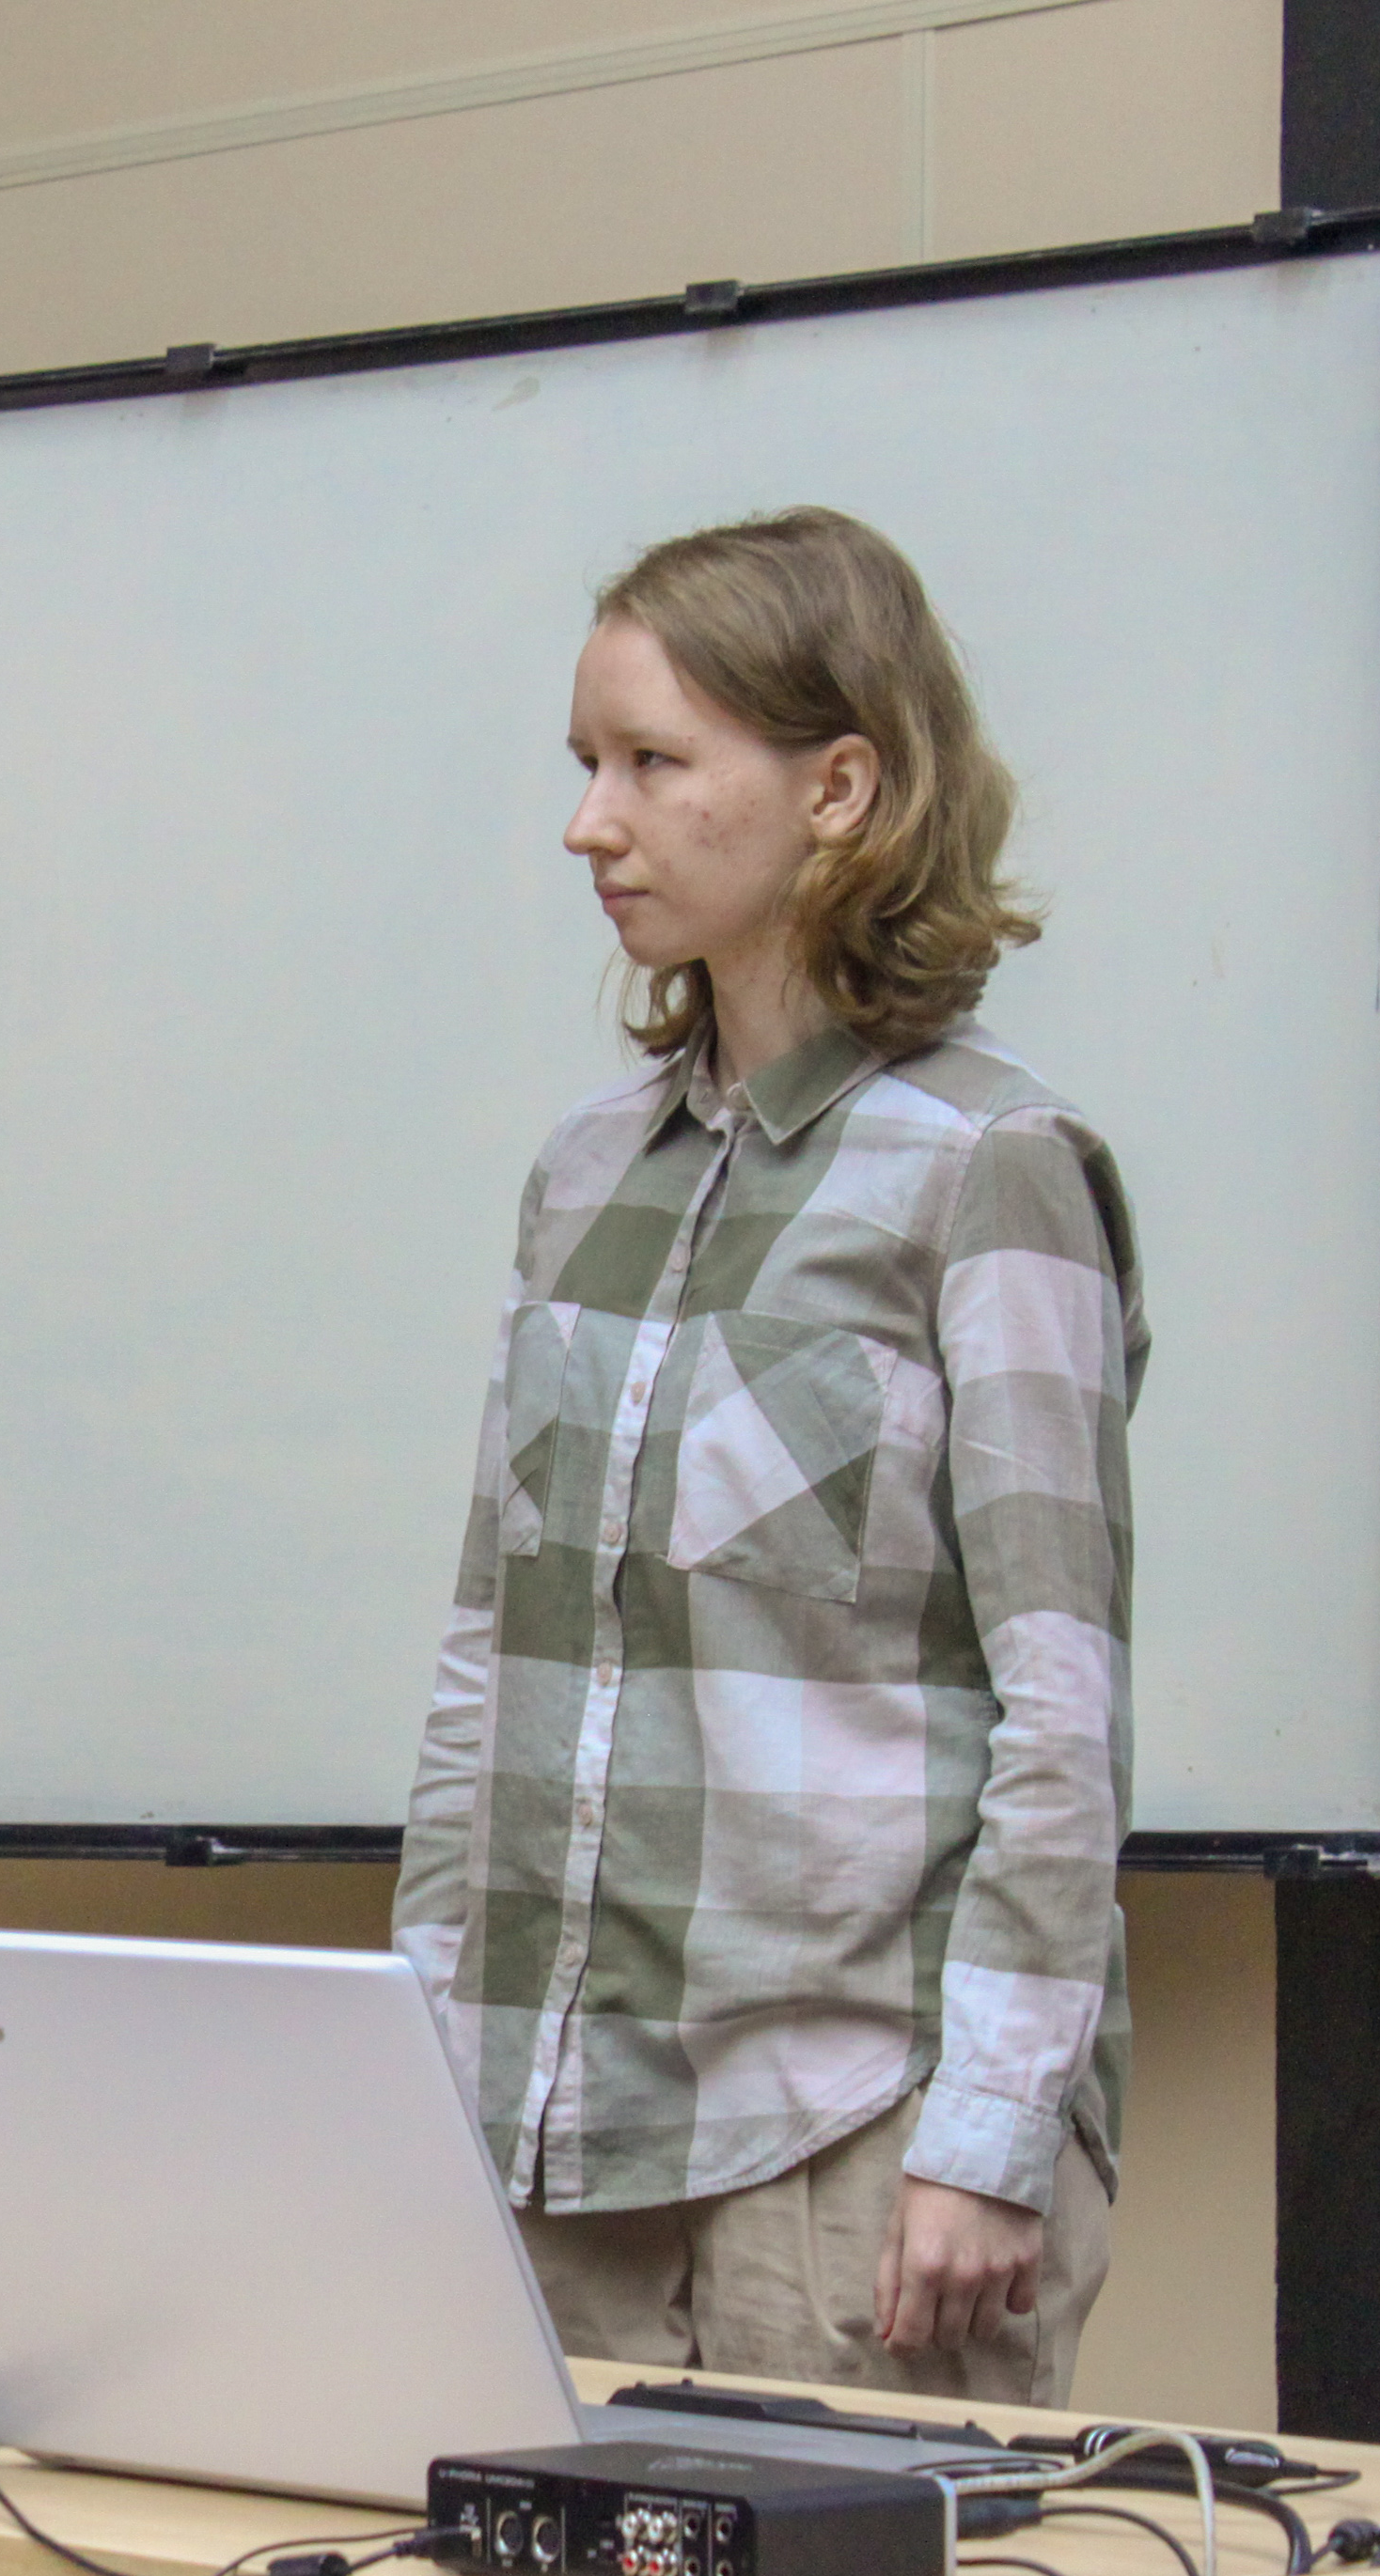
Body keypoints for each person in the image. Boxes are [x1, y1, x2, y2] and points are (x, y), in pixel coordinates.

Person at [392, 506, 1141, 2404]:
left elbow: (1060, 1708)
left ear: (840, 788)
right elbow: (492, 1661)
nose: (591, 823)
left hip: (855, 2140)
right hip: (550, 2132)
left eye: (652, 762)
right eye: (586, 764)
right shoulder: (584, 1175)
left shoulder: (993, 1170)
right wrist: (422, 2054)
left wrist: (990, 2132)